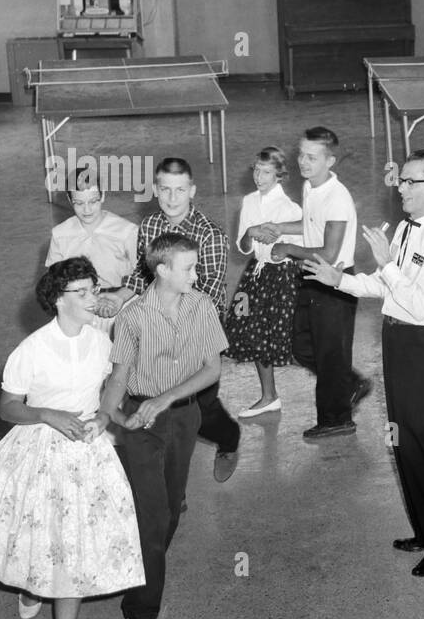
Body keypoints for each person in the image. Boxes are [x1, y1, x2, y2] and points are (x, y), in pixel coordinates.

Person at [0, 258, 144, 619]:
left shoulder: (100, 341)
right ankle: (32, 585)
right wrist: (47, 414)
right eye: (84, 292)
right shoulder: (31, 349)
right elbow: (7, 408)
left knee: (70, 554)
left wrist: (106, 417)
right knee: (39, 539)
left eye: (95, 289)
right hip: (38, 450)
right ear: (58, 300)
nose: (95, 298)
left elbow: (114, 383)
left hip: (88, 455)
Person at [303, 151, 424, 578]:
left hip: (423, 347)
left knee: (416, 446)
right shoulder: (407, 231)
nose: (401, 188)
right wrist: (342, 280)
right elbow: (385, 287)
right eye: (402, 181)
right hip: (396, 340)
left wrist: (389, 265)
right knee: (400, 444)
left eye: (411, 182)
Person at [99, 233, 228, 619]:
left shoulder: (202, 306)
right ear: (163, 271)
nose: (197, 273)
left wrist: (167, 398)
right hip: (141, 421)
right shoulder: (132, 317)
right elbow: (119, 377)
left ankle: (136, 570)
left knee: (170, 511)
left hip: (183, 417)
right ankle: (142, 615)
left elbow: (212, 369)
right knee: (153, 517)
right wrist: (113, 416)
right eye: (189, 268)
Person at [100, 157, 241, 482]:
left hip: (196, 332)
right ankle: (167, 482)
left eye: (180, 190)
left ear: (191, 190)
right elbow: (143, 273)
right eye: (165, 189)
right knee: (152, 399)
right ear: (155, 190)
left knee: (198, 407)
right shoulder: (149, 226)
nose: (172, 198)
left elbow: (206, 293)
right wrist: (120, 297)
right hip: (155, 326)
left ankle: (229, 439)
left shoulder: (210, 235)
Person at [265, 127, 370, 438]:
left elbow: (328, 251)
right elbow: (310, 224)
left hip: (334, 281)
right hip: (311, 275)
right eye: (301, 154)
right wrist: (279, 227)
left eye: (312, 157)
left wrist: (287, 249)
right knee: (300, 346)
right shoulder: (312, 187)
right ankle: (349, 383)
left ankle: (337, 419)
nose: (303, 162)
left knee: (329, 353)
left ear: (331, 161)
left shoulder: (337, 198)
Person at [224, 148, 303, 417]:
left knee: (287, 339)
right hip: (256, 273)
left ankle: (342, 382)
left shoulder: (291, 209)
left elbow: (305, 245)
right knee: (253, 332)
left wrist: (284, 245)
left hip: (282, 276)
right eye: (256, 170)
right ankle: (269, 396)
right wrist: (250, 232)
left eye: (266, 171)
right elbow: (243, 247)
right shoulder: (248, 201)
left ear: (279, 175)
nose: (259, 176)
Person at [44, 174, 138, 327]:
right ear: (69, 200)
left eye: (93, 201)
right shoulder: (60, 234)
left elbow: (145, 275)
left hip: (122, 305)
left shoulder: (127, 231)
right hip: (79, 308)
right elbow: (54, 279)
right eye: (78, 203)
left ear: (103, 196)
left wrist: (120, 297)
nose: (86, 210)